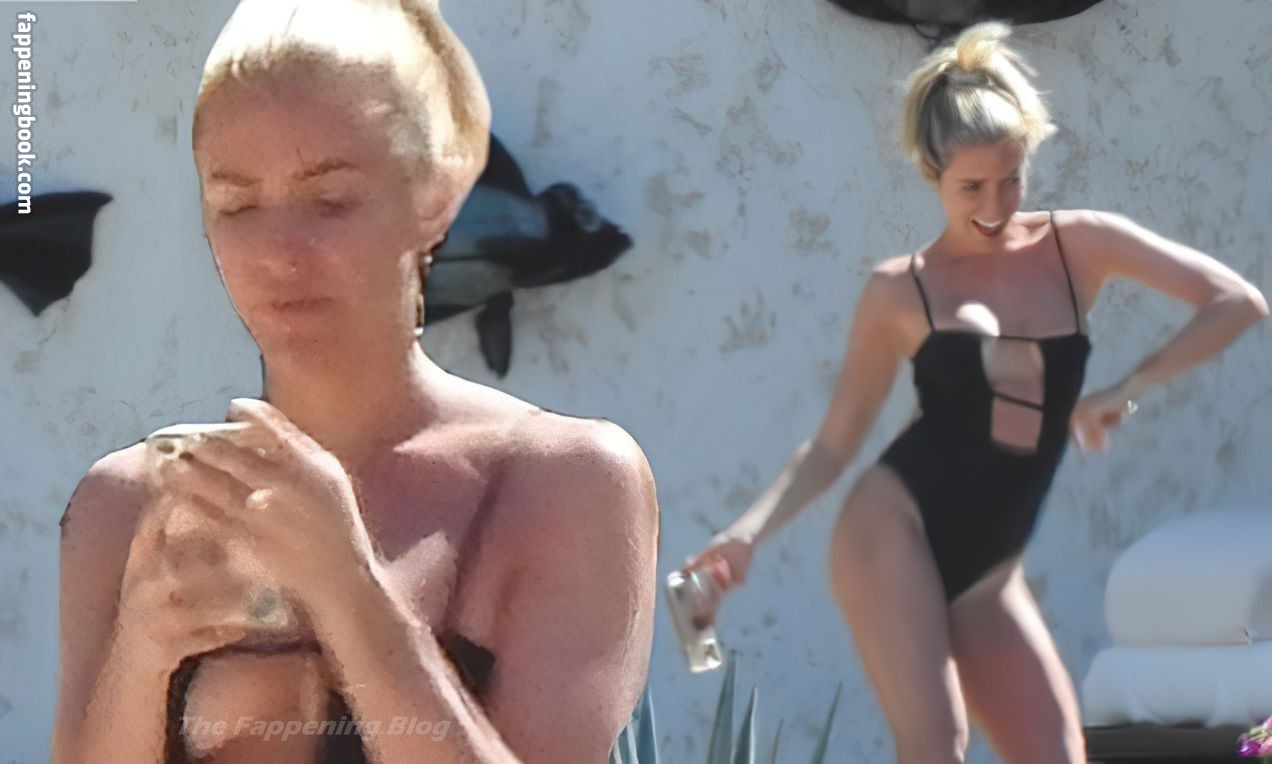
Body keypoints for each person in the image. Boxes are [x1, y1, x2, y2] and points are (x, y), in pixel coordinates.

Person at [50, 1, 659, 761]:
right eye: (236, 204)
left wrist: (348, 586)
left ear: (435, 201)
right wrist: (142, 652)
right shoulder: (123, 504)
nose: (279, 250)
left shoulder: (563, 483)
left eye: (330, 199)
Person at [683, 21, 1267, 764]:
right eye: (971, 188)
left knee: (1057, 755)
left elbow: (1236, 300)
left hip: (989, 569)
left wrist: (1128, 388)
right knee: (937, 743)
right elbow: (834, 443)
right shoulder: (901, 291)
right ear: (932, 175)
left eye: (1011, 179)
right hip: (891, 528)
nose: (996, 205)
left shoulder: (1077, 246)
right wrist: (747, 533)